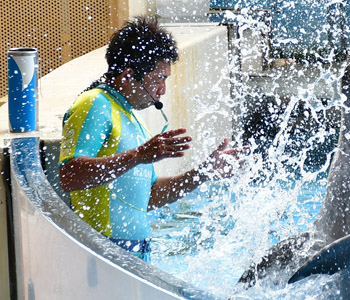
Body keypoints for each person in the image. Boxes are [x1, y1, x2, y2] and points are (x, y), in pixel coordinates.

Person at [58, 16, 241, 262]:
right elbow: (69, 175)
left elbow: (150, 195)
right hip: (101, 256)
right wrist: (139, 155)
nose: (163, 90)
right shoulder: (94, 104)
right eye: (159, 79)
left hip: (134, 255)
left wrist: (202, 173)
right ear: (128, 75)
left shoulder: (132, 118)